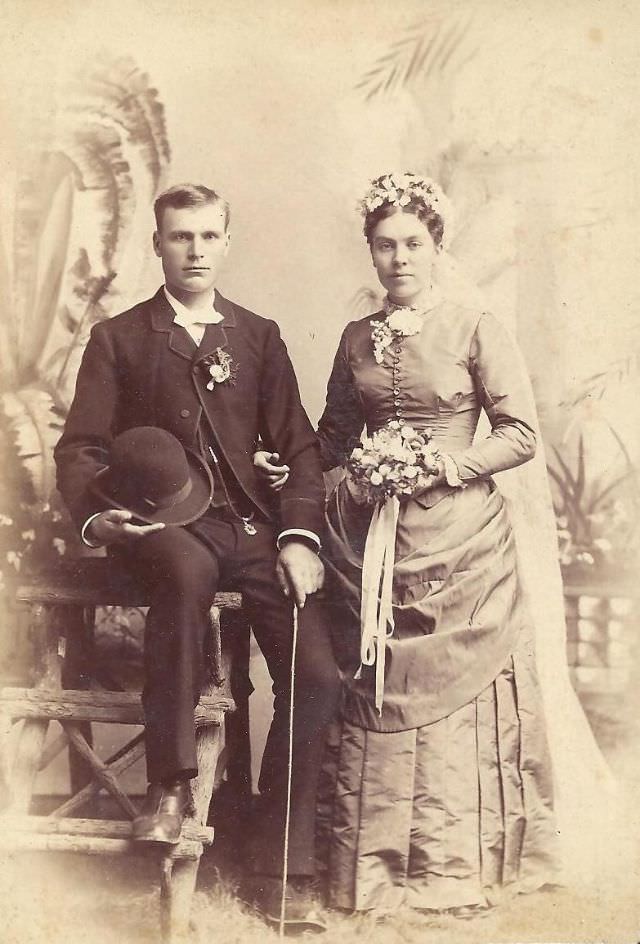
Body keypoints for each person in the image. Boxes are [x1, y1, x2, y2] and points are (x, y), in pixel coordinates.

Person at [255, 172, 566, 915]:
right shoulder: (355, 337)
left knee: (452, 686)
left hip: (461, 539)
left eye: (413, 244)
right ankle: (363, 870)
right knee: (370, 680)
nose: (399, 258)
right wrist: (285, 466)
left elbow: (521, 434)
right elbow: (332, 438)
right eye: (385, 246)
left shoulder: (476, 325)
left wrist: (447, 463)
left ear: (437, 246)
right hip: (369, 536)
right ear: (370, 253)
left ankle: (450, 870)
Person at [54, 183, 340, 930]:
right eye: (180, 237)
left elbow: (302, 448)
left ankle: (279, 861)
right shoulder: (120, 338)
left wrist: (300, 537)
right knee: (183, 574)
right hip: (167, 530)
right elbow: (80, 448)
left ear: (227, 241)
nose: (196, 251)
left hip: (253, 530)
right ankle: (171, 784)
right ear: (157, 243)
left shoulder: (258, 336)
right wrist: (100, 519)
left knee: (317, 675)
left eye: (209, 236)